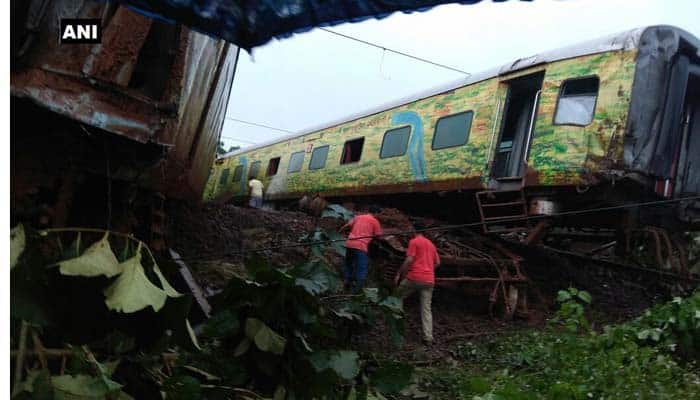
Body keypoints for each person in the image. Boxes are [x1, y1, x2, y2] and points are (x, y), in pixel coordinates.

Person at [394, 222, 440, 346]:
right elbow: (437, 262)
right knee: (426, 309)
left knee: (396, 298)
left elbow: (409, 260)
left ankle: (397, 329)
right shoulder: (431, 244)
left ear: (414, 230)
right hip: (429, 280)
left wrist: (400, 274)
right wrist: (428, 269)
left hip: (414, 277)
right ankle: (428, 338)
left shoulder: (414, 242)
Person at [339, 206, 383, 293]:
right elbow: (378, 236)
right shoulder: (375, 221)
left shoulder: (358, 217)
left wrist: (339, 232)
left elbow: (347, 226)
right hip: (361, 246)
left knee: (348, 263)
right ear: (376, 213)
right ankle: (356, 291)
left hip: (349, 243)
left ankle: (347, 282)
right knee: (361, 267)